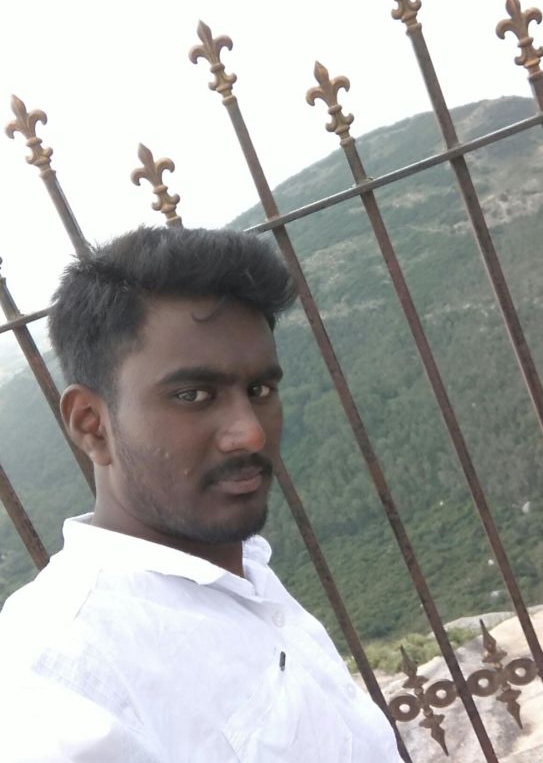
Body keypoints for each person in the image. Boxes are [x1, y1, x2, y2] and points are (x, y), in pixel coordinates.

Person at [0, 226, 403, 762]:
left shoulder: (239, 569)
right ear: (92, 424)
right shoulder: (60, 680)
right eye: (192, 395)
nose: (251, 433)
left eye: (260, 389)